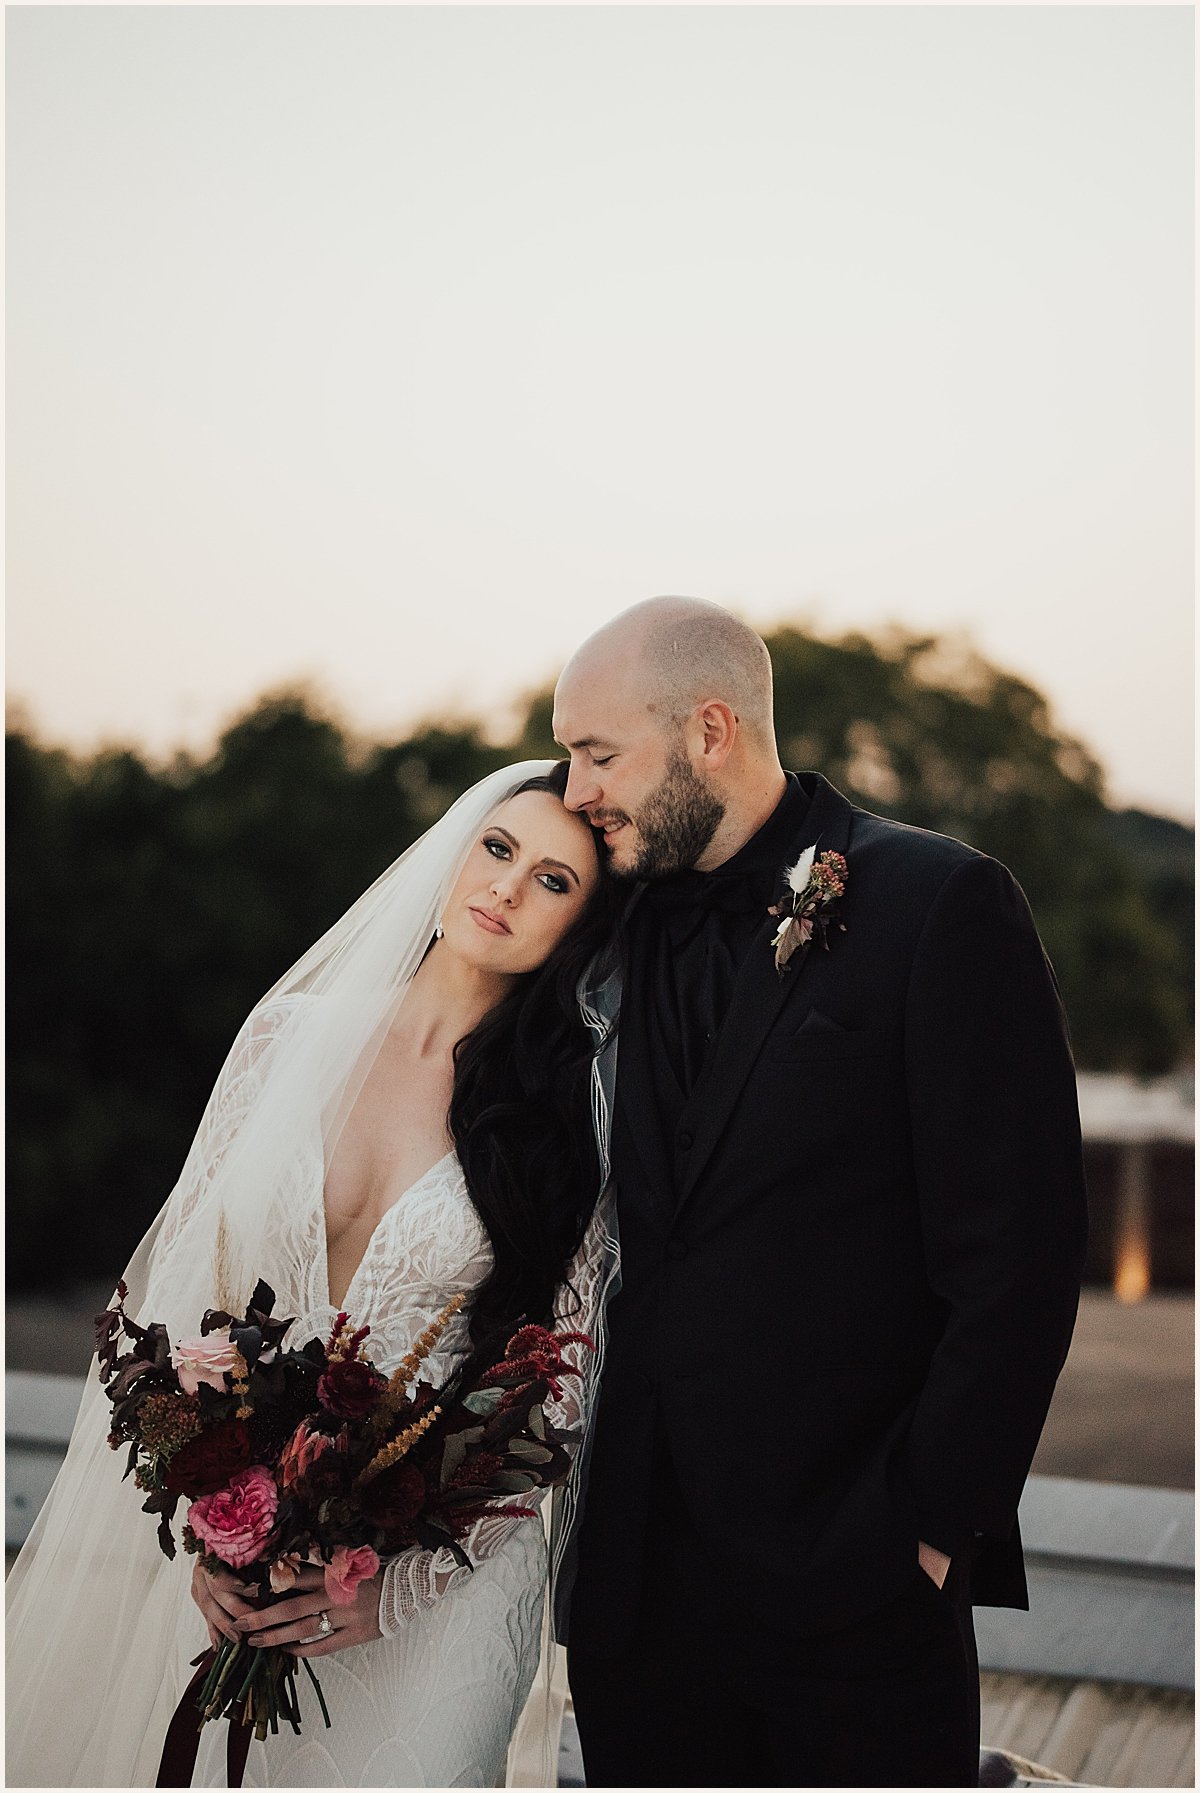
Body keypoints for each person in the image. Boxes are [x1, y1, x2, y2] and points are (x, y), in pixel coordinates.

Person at [552, 596, 1088, 1789]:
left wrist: (929, 1537)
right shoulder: (595, 924)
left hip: (860, 1597)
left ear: (708, 727)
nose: (575, 788)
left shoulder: (936, 902)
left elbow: (1019, 1255)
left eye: (598, 753)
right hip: (638, 1603)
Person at [6, 760, 623, 1789]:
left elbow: (555, 1389)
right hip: (237, 1572)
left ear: (584, 929)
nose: (509, 888)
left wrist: (397, 1586)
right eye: (501, 848)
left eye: (556, 881)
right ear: (456, 850)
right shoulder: (286, 1039)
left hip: (435, 1599)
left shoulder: (566, 1118)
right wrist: (214, 1518)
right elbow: (178, 1299)